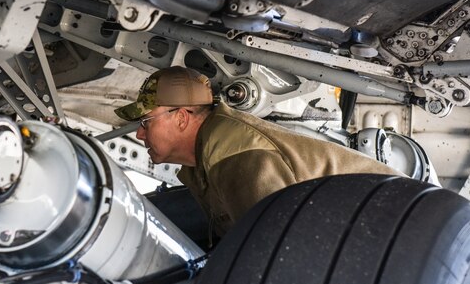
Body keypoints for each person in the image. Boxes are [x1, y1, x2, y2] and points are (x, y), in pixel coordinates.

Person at [115, 66, 400, 238]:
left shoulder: (236, 154)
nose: (140, 133)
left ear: (181, 118)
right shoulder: (208, 156)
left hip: (395, 228)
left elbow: (274, 250)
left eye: (145, 123)